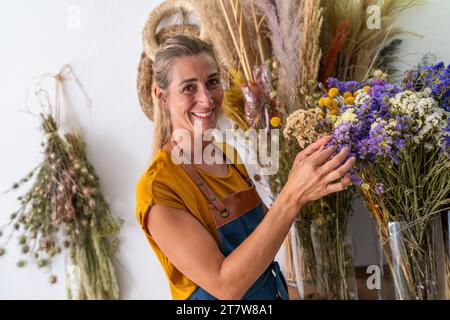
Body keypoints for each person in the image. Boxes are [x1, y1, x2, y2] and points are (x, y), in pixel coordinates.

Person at [135, 35, 355, 300]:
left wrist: (307, 187)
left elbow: (265, 241)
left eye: (212, 82)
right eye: (188, 88)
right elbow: (225, 286)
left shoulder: (227, 156)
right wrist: (292, 195)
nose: (206, 100)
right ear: (162, 96)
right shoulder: (158, 189)